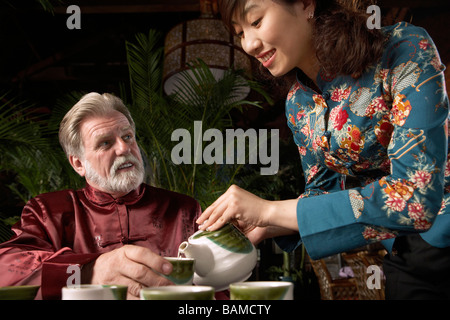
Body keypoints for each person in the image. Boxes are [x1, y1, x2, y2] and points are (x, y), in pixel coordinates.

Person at [197, 0, 450, 299]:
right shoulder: (298, 104)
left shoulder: (403, 49)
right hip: (402, 251)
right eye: (239, 32)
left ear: (306, 4)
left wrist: (269, 210)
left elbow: (416, 198)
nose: (249, 44)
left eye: (256, 21)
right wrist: (267, 224)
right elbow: (324, 193)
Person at [0, 92, 202, 300]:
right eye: (105, 143)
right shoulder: (48, 212)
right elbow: (6, 269)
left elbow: (218, 282)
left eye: (127, 136)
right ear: (78, 164)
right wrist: (89, 271)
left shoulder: (184, 209)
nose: (124, 148)